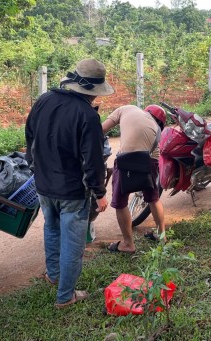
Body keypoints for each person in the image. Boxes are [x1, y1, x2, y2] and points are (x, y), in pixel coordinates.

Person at [25, 58, 113, 308]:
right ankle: (66, 296)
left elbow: (29, 133)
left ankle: (53, 275)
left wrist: (34, 165)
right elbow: (93, 160)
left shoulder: (44, 100)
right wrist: (99, 192)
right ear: (93, 92)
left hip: (43, 185)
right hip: (72, 191)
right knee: (73, 244)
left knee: (51, 229)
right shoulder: (87, 115)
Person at [102, 104, 167, 254]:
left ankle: (128, 244)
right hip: (151, 159)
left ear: (147, 111)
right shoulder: (157, 130)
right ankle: (162, 236)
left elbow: (101, 129)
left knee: (120, 201)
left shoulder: (126, 108)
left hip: (127, 159)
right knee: (153, 198)